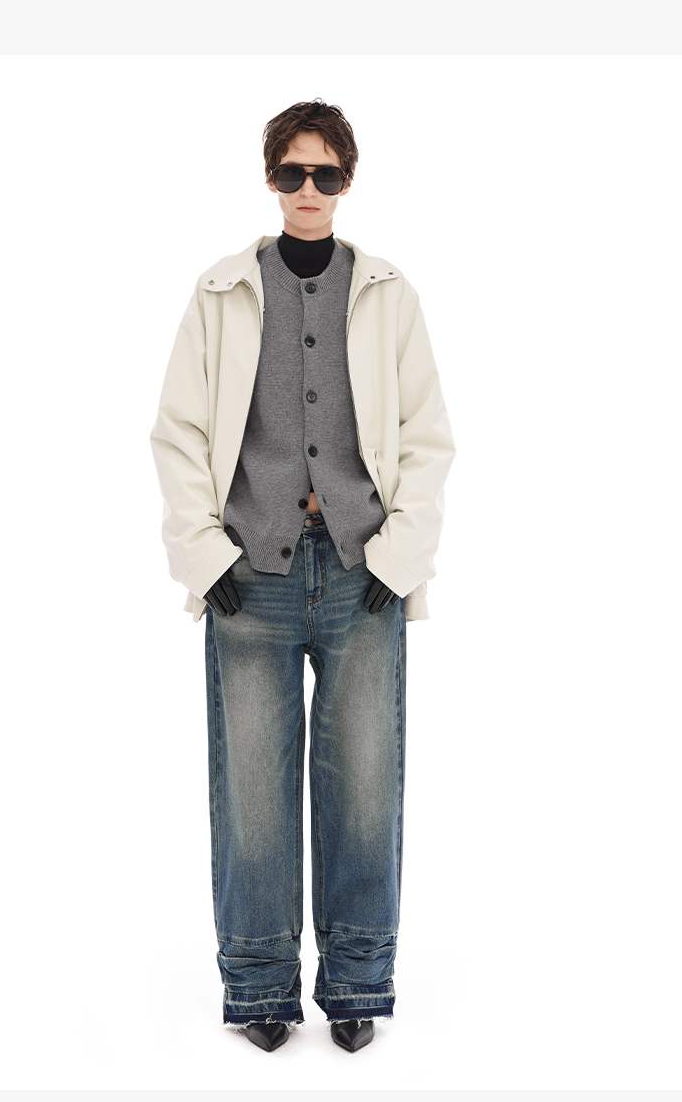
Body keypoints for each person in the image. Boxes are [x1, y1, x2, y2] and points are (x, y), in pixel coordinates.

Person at [150, 98, 456, 1053]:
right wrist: (206, 554)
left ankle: (358, 984)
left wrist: (399, 558)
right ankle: (259, 988)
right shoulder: (220, 295)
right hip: (252, 574)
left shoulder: (389, 294)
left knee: (364, 785)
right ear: (270, 179)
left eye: (325, 173)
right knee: (252, 790)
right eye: (292, 171)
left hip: (364, 573)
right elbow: (178, 433)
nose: (308, 188)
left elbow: (427, 438)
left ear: (348, 180)